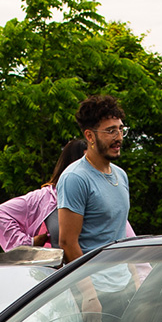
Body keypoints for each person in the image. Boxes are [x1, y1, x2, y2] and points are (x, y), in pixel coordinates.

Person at [57, 95, 132, 263]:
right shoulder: (75, 178)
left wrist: (133, 276)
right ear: (90, 136)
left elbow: (121, 234)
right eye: (110, 131)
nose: (119, 137)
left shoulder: (121, 175)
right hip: (95, 285)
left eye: (121, 129)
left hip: (123, 282)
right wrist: (89, 289)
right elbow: (68, 243)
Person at [0, 139, 85, 251]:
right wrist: (29, 242)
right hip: (61, 267)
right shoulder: (47, 198)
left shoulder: (103, 192)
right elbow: (0, 213)